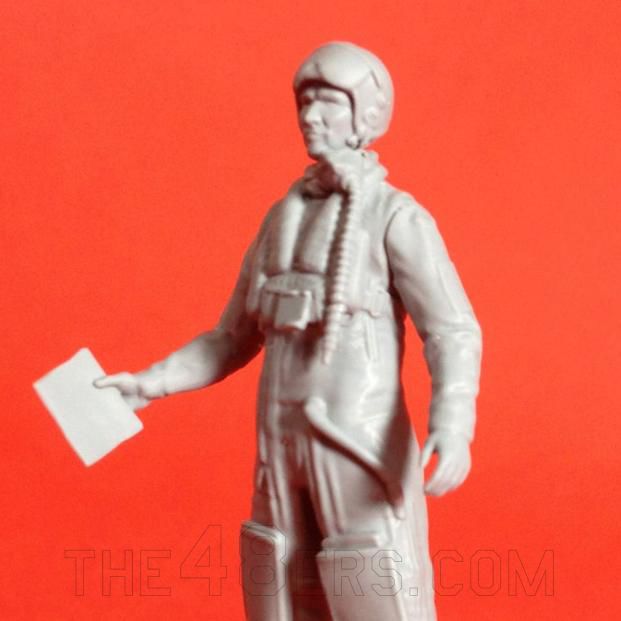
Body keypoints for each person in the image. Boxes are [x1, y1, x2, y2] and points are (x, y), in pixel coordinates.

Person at [96, 42, 482, 621]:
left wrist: (453, 424)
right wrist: (152, 382)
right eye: (305, 102)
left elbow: (452, 329)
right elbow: (231, 337)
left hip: (356, 446)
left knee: (376, 593)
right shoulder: (283, 219)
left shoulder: (394, 217)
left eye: (329, 102)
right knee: (279, 593)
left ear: (365, 114)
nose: (311, 116)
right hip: (279, 446)